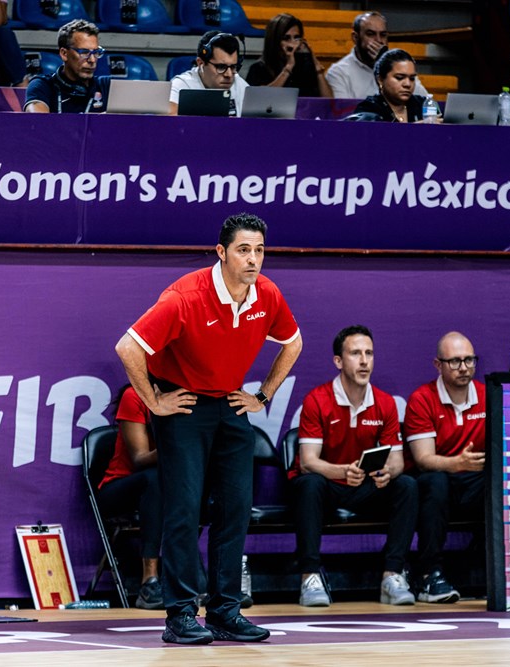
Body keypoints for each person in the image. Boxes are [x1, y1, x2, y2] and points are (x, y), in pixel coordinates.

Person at [116, 213, 302, 645]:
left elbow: (293, 342)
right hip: (184, 406)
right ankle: (180, 614)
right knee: (183, 508)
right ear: (221, 252)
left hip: (231, 403)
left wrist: (264, 396)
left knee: (235, 508)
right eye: (243, 250)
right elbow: (128, 347)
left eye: (259, 250)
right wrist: (155, 401)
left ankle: (224, 612)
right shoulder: (185, 296)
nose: (253, 259)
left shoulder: (267, 294)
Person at [289, 325, 418, 608]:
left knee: (406, 484)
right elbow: (309, 461)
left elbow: (396, 460)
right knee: (308, 484)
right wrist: (341, 471)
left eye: (369, 353)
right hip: (329, 486)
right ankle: (309, 577)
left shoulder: (384, 403)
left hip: (366, 487)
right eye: (355, 353)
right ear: (338, 361)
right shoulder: (316, 400)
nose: (364, 361)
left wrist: (388, 473)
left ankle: (392, 575)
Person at [402, 331, 486, 604]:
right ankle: (429, 575)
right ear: (438, 364)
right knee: (433, 481)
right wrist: (457, 463)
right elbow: (424, 458)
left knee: (500, 481)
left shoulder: (488, 395)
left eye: (469, 360)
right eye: (455, 362)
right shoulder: (422, 399)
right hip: (439, 482)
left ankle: (495, 571)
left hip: (474, 481)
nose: (464, 368)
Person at [98, 386, 164, 609]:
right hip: (119, 489)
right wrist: (181, 446)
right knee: (154, 479)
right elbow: (140, 459)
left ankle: (216, 585)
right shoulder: (134, 395)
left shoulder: (188, 396)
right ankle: (149, 583)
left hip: (168, 488)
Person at [325, 11, 428, 101]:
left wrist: (385, 64)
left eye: (383, 35)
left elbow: (426, 103)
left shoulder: (399, 67)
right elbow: (343, 116)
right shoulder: (339, 72)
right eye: (371, 34)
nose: (379, 40)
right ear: (355, 38)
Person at [24, 19, 111, 113]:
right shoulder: (42, 85)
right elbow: (38, 122)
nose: (92, 60)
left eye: (96, 52)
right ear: (64, 53)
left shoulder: (107, 86)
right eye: (84, 52)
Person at [245, 13, 332, 98]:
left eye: (296, 38)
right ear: (274, 41)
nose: (292, 44)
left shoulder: (305, 67)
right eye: (286, 38)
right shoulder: (258, 69)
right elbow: (263, 101)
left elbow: (329, 103)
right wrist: (288, 69)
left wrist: (318, 69)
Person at [169, 31, 249, 117]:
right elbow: (170, 119)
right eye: (221, 67)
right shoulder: (182, 85)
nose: (229, 74)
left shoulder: (239, 83)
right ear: (200, 64)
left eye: (233, 67)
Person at [344, 49, 425, 123]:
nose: (407, 84)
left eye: (412, 78)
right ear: (380, 80)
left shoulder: (424, 105)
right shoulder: (368, 109)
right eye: (399, 78)